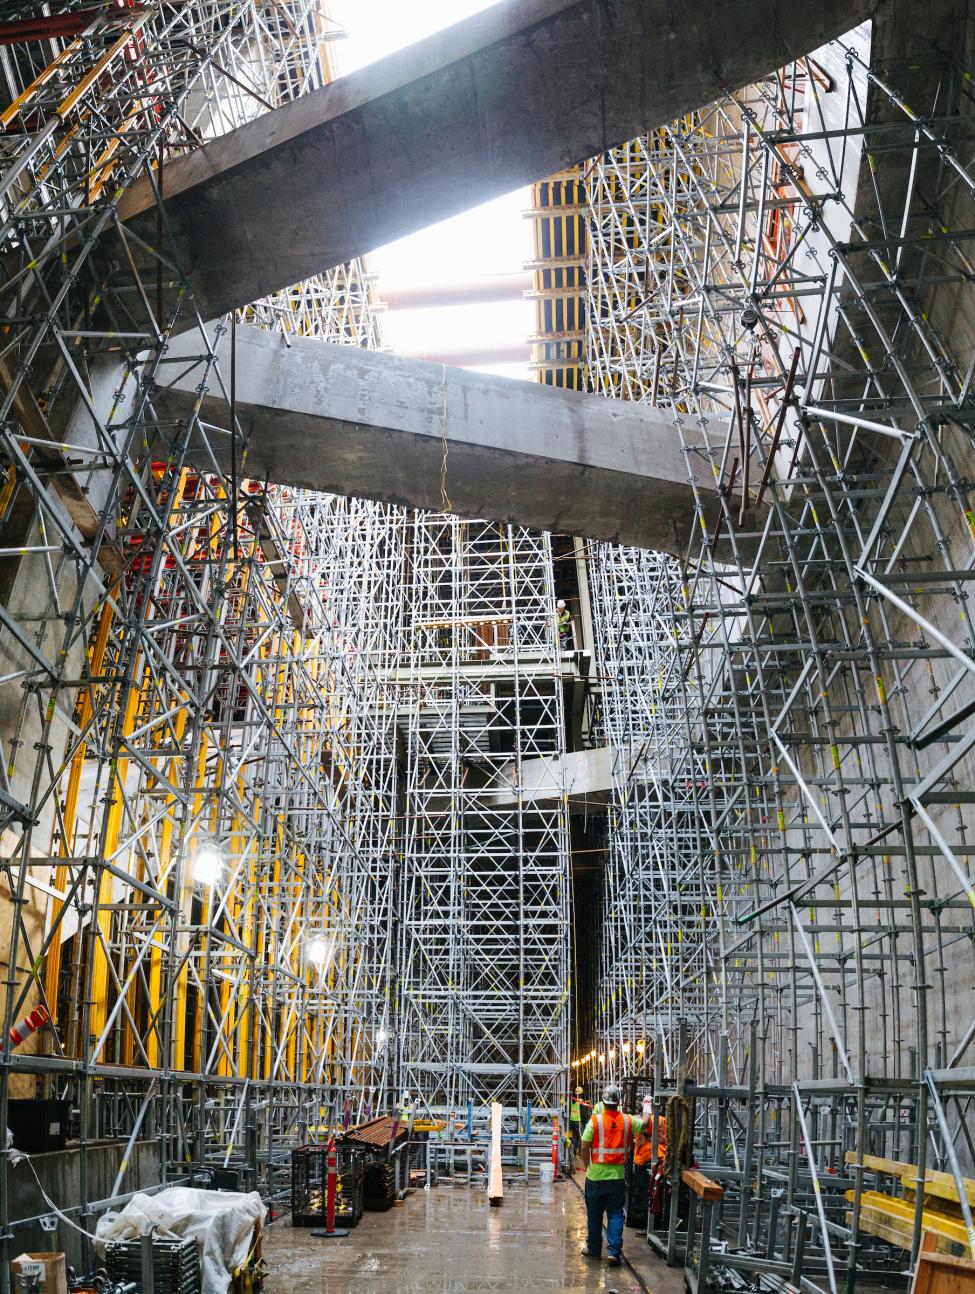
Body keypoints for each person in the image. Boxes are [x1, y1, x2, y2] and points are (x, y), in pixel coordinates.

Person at [579, 1082, 647, 1265]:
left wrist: (587, 1166)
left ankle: (593, 1249)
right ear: (619, 1102)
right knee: (616, 1214)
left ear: (603, 1101)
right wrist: (647, 1105)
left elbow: (584, 1145)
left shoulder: (596, 1121)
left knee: (594, 1214)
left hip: (594, 1177)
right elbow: (646, 1123)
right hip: (617, 1178)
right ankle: (613, 1252)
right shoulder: (628, 1120)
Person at [570, 1086, 590, 1154]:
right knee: (581, 1136)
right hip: (578, 1121)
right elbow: (583, 1113)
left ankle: (574, 1149)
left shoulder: (572, 1100)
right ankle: (580, 1151)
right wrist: (585, 1121)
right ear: (581, 1094)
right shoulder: (581, 1102)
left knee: (574, 1136)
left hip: (571, 1121)